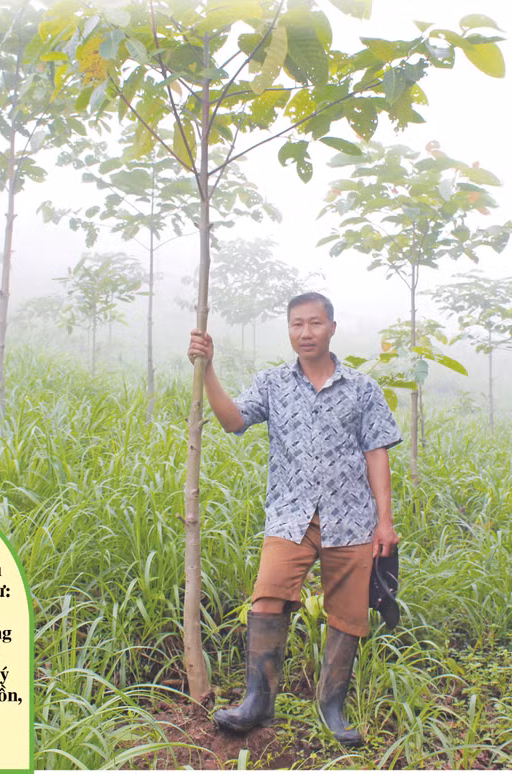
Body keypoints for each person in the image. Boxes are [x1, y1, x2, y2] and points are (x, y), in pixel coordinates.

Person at [187, 292, 401, 746]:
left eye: (315, 324)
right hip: (290, 515)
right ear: (289, 330)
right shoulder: (273, 383)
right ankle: (258, 702)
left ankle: (331, 707)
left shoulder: (363, 388)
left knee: (347, 615)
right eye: (297, 325)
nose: (305, 333)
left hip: (352, 517)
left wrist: (385, 521)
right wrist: (207, 369)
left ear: (332, 328)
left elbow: (376, 452)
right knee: (267, 598)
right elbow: (233, 420)